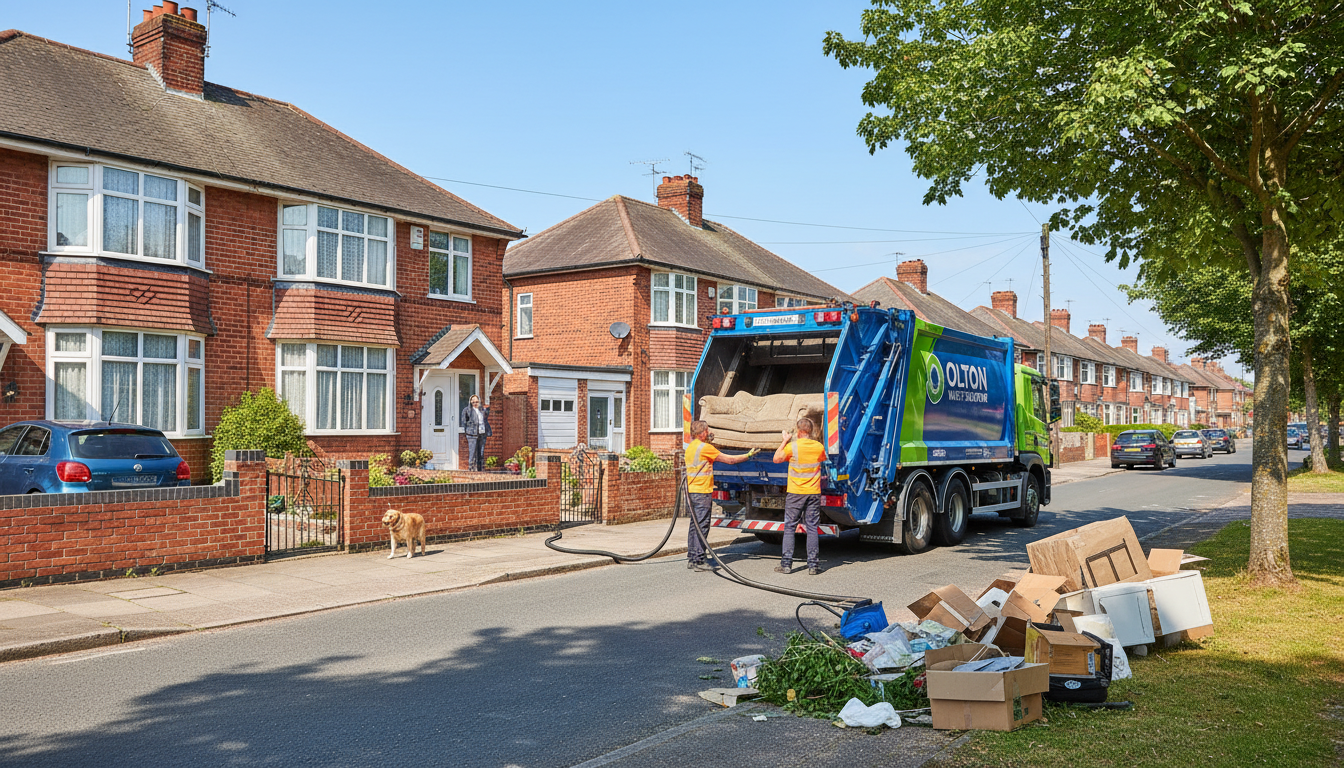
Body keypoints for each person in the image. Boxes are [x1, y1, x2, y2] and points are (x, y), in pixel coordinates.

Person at [684, 420, 758, 571]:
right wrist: (748, 455)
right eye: (707, 430)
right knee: (702, 526)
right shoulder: (706, 448)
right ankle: (699, 560)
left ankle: (692, 557)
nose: (709, 432)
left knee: (694, 525)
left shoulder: (691, 447)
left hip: (692, 491)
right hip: (702, 492)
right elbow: (730, 460)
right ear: (703, 432)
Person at [772, 417, 826, 575]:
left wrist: (784, 441)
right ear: (811, 430)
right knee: (812, 528)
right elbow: (822, 459)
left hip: (795, 493)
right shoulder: (818, 447)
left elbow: (776, 459)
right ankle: (813, 566)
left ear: (798, 430)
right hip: (813, 493)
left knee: (789, 527)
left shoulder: (792, 447)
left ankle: (786, 564)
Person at [459, 394, 491, 471]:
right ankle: (471, 468)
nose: (475, 403)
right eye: (473, 402)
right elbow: (464, 422)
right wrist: (468, 431)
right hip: (472, 434)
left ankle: (480, 468)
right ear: (470, 402)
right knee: (472, 452)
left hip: (482, 433)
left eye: (477, 402)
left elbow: (486, 418)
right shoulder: (467, 410)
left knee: (481, 452)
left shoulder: (482, 410)